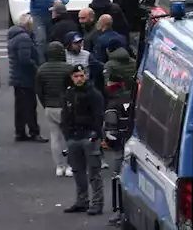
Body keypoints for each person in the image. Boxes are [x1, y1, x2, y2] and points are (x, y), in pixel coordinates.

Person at [62, 64, 105, 215]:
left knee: (94, 173)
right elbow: (65, 114)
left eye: (81, 75)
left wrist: (95, 134)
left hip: (89, 137)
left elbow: (99, 116)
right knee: (77, 171)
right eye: (76, 76)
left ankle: (97, 203)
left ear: (85, 75)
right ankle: (82, 201)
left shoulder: (94, 94)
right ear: (71, 78)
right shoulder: (69, 93)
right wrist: (67, 134)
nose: (79, 79)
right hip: (73, 137)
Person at [35, 41, 74, 176]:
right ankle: (70, 165)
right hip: (65, 107)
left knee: (55, 137)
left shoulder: (42, 69)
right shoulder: (68, 68)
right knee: (69, 137)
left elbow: (39, 91)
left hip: (50, 106)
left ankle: (59, 166)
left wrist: (45, 103)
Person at [103, 65, 134, 226]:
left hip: (119, 148)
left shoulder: (112, 104)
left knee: (118, 180)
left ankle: (119, 213)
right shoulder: (133, 98)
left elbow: (111, 131)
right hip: (134, 146)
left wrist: (109, 144)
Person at [7, 14, 45, 142]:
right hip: (25, 77)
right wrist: (37, 68)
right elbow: (25, 59)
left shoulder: (16, 36)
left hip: (17, 77)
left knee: (20, 106)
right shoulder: (24, 38)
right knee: (30, 106)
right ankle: (34, 132)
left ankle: (20, 132)